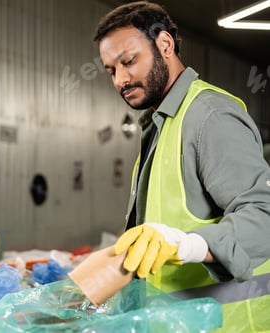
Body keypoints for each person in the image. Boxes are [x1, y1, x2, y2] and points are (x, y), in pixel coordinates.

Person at [92, 2, 270, 331]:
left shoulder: (209, 117)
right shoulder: (160, 126)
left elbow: (263, 216)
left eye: (129, 61)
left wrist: (185, 244)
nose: (121, 79)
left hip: (225, 324)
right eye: (111, 70)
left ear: (165, 45)